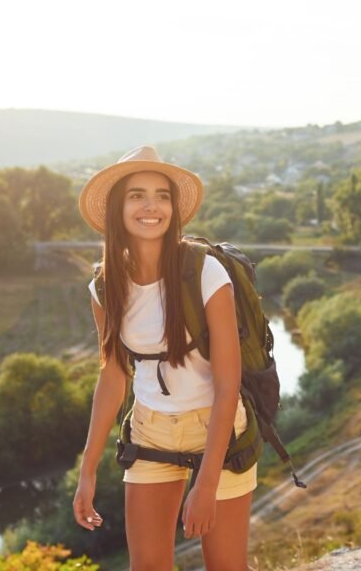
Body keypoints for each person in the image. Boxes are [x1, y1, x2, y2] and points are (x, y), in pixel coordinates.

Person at [72, 145, 254, 570]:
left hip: (219, 429)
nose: (151, 206)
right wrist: (88, 470)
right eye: (137, 195)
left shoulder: (205, 271)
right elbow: (113, 378)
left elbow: (229, 383)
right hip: (150, 430)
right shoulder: (103, 287)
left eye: (162, 195)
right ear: (118, 208)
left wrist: (206, 483)